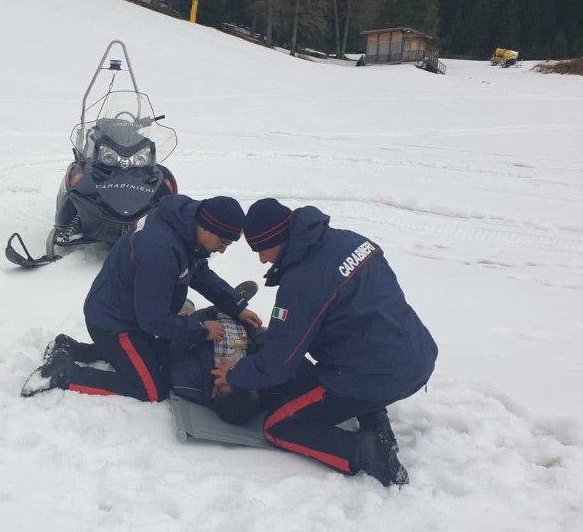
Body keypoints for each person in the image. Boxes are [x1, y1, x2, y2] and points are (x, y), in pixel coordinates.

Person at [211, 198, 437, 486]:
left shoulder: (303, 281)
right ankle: (374, 418)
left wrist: (234, 373)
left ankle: (365, 452)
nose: (262, 260)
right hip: (416, 353)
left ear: (277, 239)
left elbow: (278, 365)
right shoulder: (351, 241)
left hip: (378, 374)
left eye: (260, 250)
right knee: (343, 362)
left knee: (278, 425)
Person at [22, 194, 263, 400]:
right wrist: (202, 330)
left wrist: (237, 305)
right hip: (115, 323)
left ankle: (72, 348)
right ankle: (63, 373)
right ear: (206, 226)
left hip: (130, 311)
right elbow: (153, 320)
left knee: (159, 355)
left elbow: (199, 273)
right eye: (222, 242)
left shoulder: (186, 231)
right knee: (151, 388)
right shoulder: (161, 251)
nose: (221, 249)